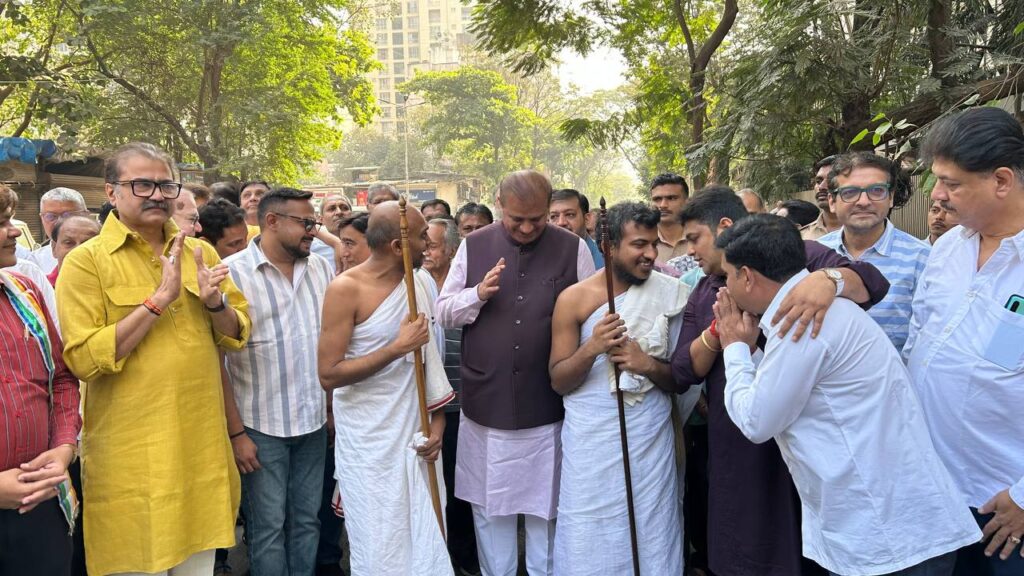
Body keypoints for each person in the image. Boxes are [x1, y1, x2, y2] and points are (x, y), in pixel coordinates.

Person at [715, 214, 980, 576]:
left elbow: (756, 421)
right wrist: (750, 350)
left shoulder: (803, 323)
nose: (726, 288)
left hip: (886, 537)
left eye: (727, 276)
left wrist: (733, 348)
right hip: (887, 527)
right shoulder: (813, 312)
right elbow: (784, 391)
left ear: (747, 276)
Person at [669, 187, 889, 576]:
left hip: (809, 433)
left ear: (724, 228)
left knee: (810, 540)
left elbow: (872, 282)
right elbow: (682, 370)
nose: (690, 250)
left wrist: (829, 281)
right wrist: (722, 335)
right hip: (739, 435)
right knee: (749, 542)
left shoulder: (797, 258)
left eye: (694, 238)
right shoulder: (704, 291)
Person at [56, 142, 251, 576]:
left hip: (199, 456)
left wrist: (215, 303)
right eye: (142, 184)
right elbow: (84, 359)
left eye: (166, 185)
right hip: (132, 464)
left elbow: (238, 334)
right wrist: (158, 301)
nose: (158, 195)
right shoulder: (86, 263)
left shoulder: (201, 253)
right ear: (111, 192)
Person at [437, 170, 597, 576]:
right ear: (500, 206)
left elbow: (589, 316)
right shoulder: (474, 245)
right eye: (516, 219)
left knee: (548, 511)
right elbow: (444, 312)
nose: (527, 228)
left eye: (536, 219)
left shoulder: (573, 247)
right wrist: (478, 294)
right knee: (491, 512)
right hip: (486, 406)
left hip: (547, 406)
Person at [907, 107, 1024, 575]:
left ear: (1001, 181)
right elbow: (918, 338)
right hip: (935, 491)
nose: (937, 195)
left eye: (951, 183)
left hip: (1004, 507)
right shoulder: (948, 249)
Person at [549, 202, 686, 574]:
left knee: (652, 524)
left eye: (654, 244)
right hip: (592, 441)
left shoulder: (672, 292)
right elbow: (559, 381)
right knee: (589, 527)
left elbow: (681, 380)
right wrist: (591, 348)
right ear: (608, 247)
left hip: (649, 438)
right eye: (639, 245)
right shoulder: (574, 299)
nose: (651, 254)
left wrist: (647, 364)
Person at [319, 201, 454, 575]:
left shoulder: (419, 282)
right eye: (423, 236)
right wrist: (396, 348)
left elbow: (430, 364)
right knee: (380, 542)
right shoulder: (345, 289)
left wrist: (438, 424)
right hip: (370, 443)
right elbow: (328, 374)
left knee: (425, 536)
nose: (429, 244)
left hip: (415, 435)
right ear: (397, 246)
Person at [222, 187, 332, 574]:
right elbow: (217, 362)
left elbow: (329, 344)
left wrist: (329, 409)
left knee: (307, 521)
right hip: (259, 428)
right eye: (305, 223)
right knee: (267, 528)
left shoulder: (320, 269)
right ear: (271, 221)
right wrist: (237, 434)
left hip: (313, 423)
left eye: (314, 222)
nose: (313, 231)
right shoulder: (231, 273)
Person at [0, 184, 82, 576]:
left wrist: (63, 446)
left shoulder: (26, 292)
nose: (15, 230)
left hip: (40, 504)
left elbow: (62, 379)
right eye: (2, 223)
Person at [817, 152, 930, 350]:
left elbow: (926, 338)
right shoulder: (815, 253)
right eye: (850, 192)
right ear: (832, 201)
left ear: (891, 198)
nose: (863, 201)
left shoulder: (923, 259)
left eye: (877, 190)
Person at [424, 216, 481, 574]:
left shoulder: (468, 288)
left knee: (460, 486)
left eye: (431, 245)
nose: (425, 251)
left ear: (451, 249)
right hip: (424, 406)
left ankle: (464, 555)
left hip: (463, 404)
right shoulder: (412, 284)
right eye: (423, 244)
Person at [30, 187, 89, 274]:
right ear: (41, 218)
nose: (59, 222)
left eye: (68, 215)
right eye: (50, 216)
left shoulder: (103, 253)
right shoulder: (33, 262)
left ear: (86, 215)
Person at [649, 172, 698, 278]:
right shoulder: (644, 243)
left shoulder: (700, 238)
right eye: (657, 199)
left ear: (687, 202)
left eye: (671, 198)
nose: (663, 205)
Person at [550, 188, 603, 269]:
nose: (561, 222)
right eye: (554, 216)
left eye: (570, 214)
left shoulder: (605, 259)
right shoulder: (541, 256)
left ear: (586, 219)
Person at [47, 215, 100, 285]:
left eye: (87, 243)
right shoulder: (41, 288)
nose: (77, 251)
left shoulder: (111, 286)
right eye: (69, 243)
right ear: (54, 248)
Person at [802, 155, 842, 240]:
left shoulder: (867, 233)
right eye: (818, 181)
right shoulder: (802, 236)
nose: (821, 187)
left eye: (831, 181)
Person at [311, 193, 353, 272]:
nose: (339, 212)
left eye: (344, 208)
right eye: (331, 209)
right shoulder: (311, 247)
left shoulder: (365, 241)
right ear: (321, 219)